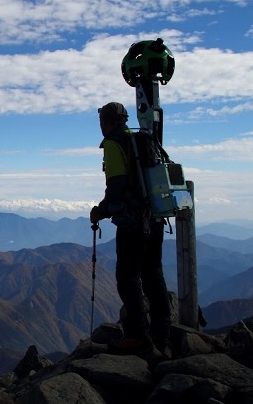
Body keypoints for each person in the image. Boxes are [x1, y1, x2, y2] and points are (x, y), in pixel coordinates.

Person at [90, 102, 171, 354]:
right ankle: (162, 331)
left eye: (102, 120)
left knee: (127, 276)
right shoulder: (142, 139)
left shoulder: (114, 144)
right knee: (153, 273)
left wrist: (100, 211)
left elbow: (117, 186)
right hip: (155, 217)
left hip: (133, 222)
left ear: (108, 121)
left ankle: (136, 335)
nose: (101, 126)